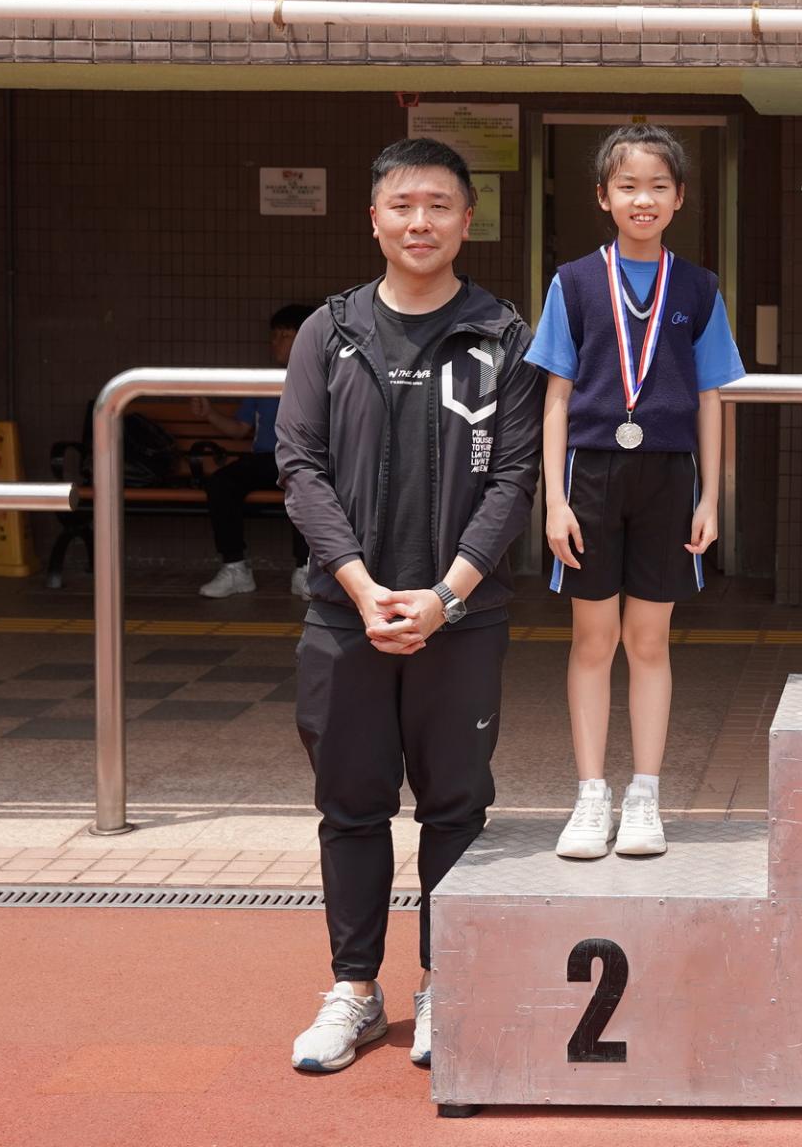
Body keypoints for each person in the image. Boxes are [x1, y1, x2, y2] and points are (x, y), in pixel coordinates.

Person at [277, 138, 542, 1074]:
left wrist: (443, 596)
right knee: (350, 807)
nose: (419, 222)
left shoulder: (503, 337)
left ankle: (444, 984)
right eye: (402, 205)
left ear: (468, 221)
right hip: (343, 614)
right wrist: (361, 587)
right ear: (375, 219)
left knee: (455, 807)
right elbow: (300, 468)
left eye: (438, 206)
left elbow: (514, 479)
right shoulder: (329, 331)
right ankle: (354, 990)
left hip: (459, 619)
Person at [538, 125, 746, 860]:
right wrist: (554, 501)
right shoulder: (572, 283)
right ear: (604, 197)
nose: (643, 199)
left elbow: (712, 397)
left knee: (650, 640)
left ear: (680, 197)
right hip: (589, 475)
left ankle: (646, 794)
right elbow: (556, 398)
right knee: (593, 639)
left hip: (668, 476)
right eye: (627, 186)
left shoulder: (699, 288)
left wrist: (711, 498)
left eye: (658, 186)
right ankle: (591, 794)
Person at [196, 303, 313, 600]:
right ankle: (235, 568)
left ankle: (305, 570)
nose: (275, 343)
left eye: (283, 336)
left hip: (303, 460)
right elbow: (239, 429)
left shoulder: (324, 378)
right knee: (221, 482)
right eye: (273, 336)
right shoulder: (264, 382)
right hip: (265, 460)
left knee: (308, 484)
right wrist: (209, 414)